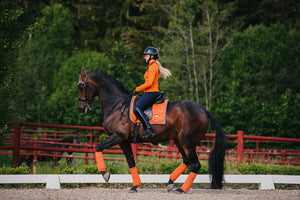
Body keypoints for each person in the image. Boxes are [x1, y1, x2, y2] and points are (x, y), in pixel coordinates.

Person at [133, 47, 171, 139]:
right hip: (149, 92)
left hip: (152, 92)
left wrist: (137, 89)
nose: (145, 57)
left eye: (146, 55)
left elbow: (149, 83)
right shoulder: (151, 66)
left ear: (151, 56)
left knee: (137, 108)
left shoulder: (153, 67)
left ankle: (148, 130)